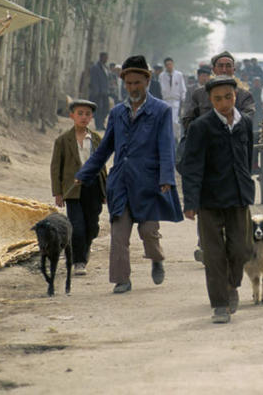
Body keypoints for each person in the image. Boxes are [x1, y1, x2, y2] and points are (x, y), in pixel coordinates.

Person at [76, 55, 183, 294]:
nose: (133, 88)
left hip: (149, 183)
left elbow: (167, 146)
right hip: (121, 182)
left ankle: (157, 259)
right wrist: (85, 173)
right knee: (119, 234)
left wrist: (167, 178)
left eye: (137, 82)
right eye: (128, 83)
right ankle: (121, 279)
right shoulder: (116, 113)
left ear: (147, 80)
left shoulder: (161, 111)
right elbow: (105, 148)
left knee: (148, 231)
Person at [181, 76, 255, 323]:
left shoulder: (245, 123)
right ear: (210, 101)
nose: (224, 103)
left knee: (242, 249)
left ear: (235, 96)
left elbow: (247, 158)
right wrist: (190, 202)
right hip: (209, 199)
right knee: (213, 254)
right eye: (217, 99)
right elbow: (190, 167)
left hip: (238, 196)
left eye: (228, 97)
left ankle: (232, 284)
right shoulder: (201, 127)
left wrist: (247, 186)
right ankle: (220, 304)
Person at [181, 50, 256, 263]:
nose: (224, 69)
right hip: (206, 158)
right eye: (220, 66)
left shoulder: (244, 95)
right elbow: (187, 119)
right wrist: (209, 127)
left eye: (228, 65)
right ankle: (206, 245)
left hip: (234, 160)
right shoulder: (198, 94)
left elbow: (247, 123)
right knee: (207, 204)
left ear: (234, 69)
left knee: (238, 218)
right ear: (213, 70)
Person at [50, 99, 106, 276]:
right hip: (72, 189)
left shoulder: (96, 139)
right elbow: (55, 167)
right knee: (77, 226)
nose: (83, 117)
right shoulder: (63, 140)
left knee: (92, 226)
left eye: (87, 114)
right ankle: (78, 261)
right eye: (80, 113)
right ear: (72, 116)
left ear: (91, 117)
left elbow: (102, 165)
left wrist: (105, 190)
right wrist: (58, 193)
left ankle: (84, 249)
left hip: (94, 188)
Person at [159, 57, 187, 140]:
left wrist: (183, 100)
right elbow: (161, 89)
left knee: (174, 121)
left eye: (170, 64)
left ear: (173, 64)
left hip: (176, 101)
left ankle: (176, 138)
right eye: (167, 65)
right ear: (165, 66)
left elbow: (183, 88)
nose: (169, 66)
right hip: (166, 100)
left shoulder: (179, 75)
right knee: (166, 120)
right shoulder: (162, 75)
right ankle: (167, 137)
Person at [88, 52, 111, 130]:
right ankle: (99, 125)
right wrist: (96, 91)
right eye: (105, 57)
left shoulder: (106, 68)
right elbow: (93, 80)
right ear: (101, 57)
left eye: (107, 57)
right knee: (99, 110)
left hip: (105, 93)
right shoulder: (95, 67)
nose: (106, 59)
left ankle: (101, 123)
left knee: (106, 109)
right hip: (98, 93)